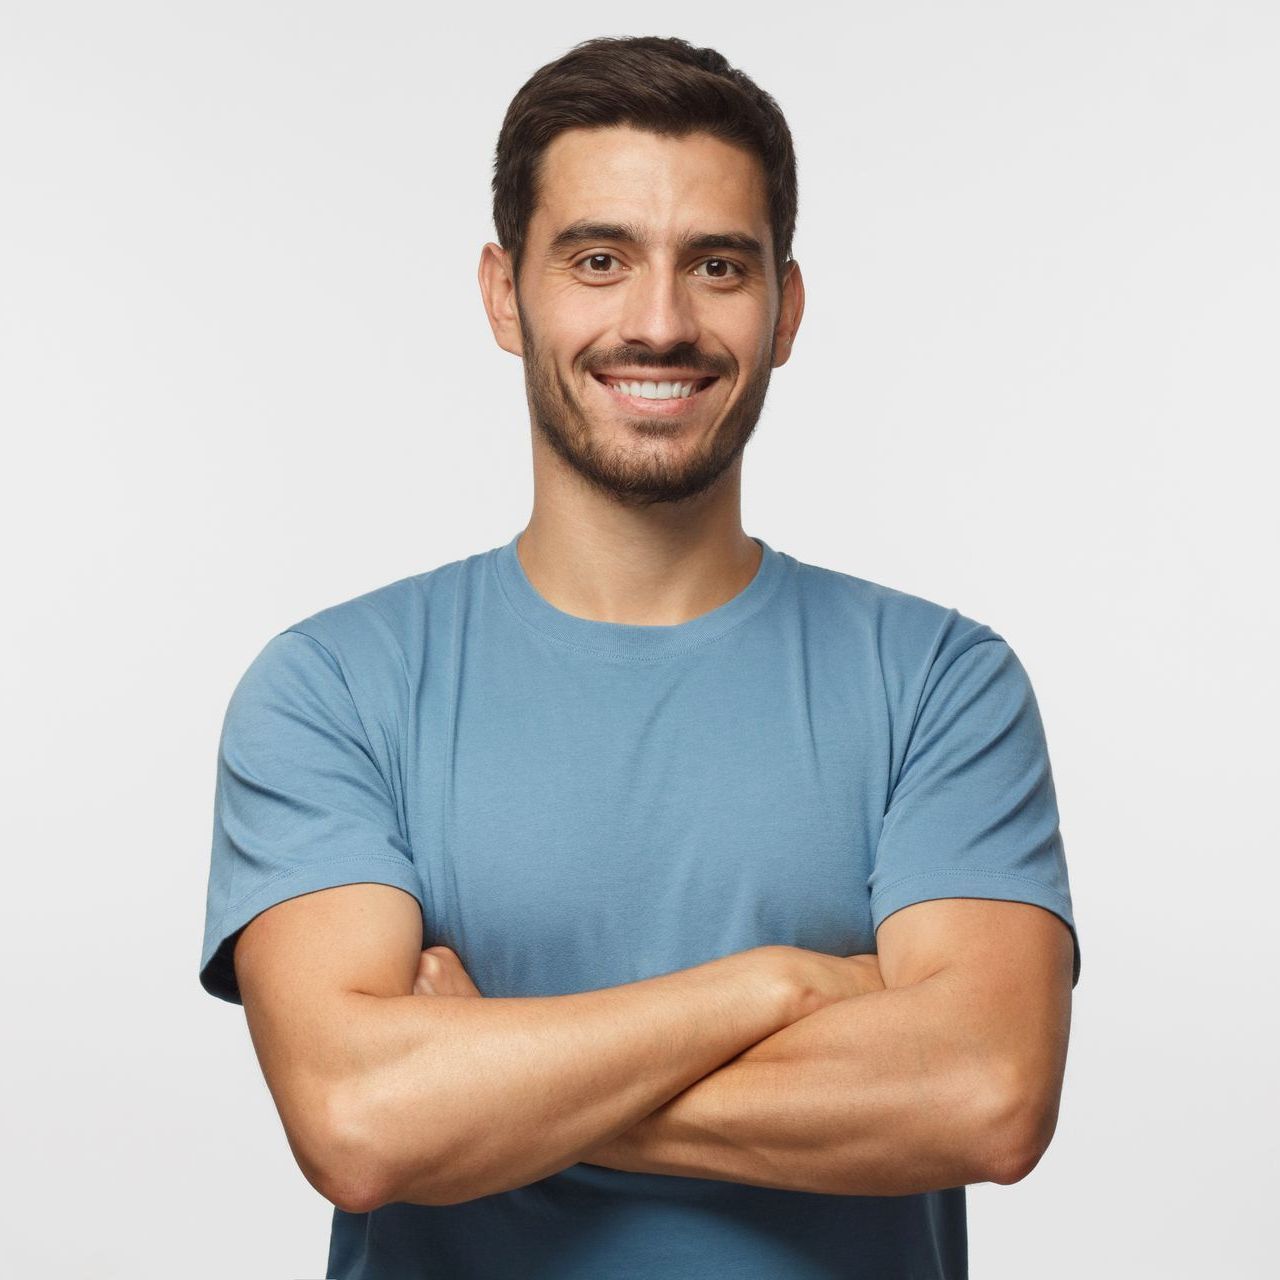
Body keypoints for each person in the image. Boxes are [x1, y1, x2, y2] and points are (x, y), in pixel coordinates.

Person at [199, 34, 1080, 1280]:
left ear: (784, 309)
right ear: (507, 295)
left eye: (715, 265)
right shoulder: (333, 688)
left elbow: (985, 1092)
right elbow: (360, 1121)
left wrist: (491, 1071)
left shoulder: (939, 683)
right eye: (599, 260)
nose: (658, 323)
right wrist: (776, 987)